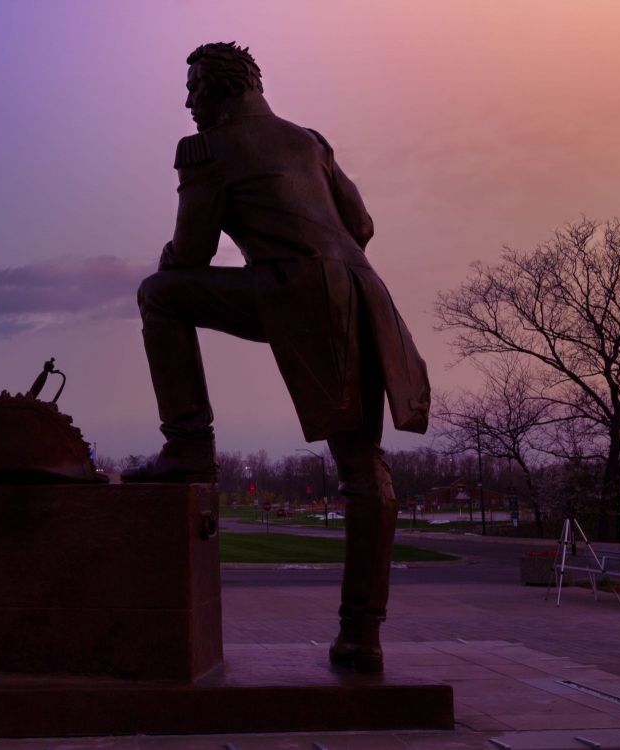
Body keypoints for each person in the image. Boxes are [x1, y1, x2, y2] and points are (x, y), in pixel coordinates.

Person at [120, 42, 431, 673]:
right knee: (364, 467)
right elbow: (361, 225)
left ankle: (188, 443)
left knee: (160, 295)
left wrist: (184, 256)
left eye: (193, 88)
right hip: (362, 292)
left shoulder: (206, 147)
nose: (188, 101)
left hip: (300, 292)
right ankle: (361, 636)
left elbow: (193, 249)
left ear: (219, 87)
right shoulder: (311, 140)